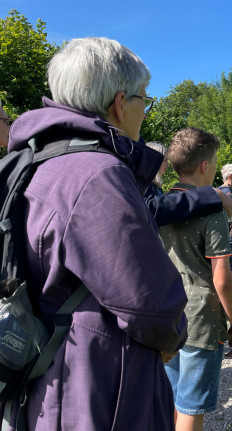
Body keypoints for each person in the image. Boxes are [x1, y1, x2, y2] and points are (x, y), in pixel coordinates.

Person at [3, 37, 187, 430]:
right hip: (100, 385)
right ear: (120, 104)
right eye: (144, 100)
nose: (144, 111)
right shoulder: (97, 173)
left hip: (43, 373)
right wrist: (173, 336)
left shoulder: (33, 161)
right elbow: (151, 304)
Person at [160, 127, 232, 431]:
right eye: (216, 160)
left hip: (167, 317)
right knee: (191, 407)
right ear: (205, 166)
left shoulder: (157, 205)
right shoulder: (212, 211)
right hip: (201, 320)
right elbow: (222, 279)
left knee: (170, 401)